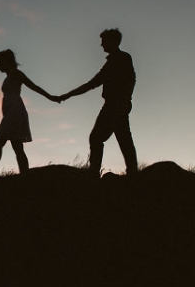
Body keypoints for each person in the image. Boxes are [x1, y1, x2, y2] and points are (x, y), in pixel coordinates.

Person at [59, 28, 138, 177]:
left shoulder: (122, 59)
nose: (102, 45)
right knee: (123, 138)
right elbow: (93, 83)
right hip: (116, 104)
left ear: (114, 41)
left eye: (104, 41)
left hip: (115, 105)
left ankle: (94, 172)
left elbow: (131, 80)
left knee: (98, 138)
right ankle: (132, 172)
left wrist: (124, 100)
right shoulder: (113, 62)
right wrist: (68, 95)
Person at [0, 49, 60, 179]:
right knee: (17, 147)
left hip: (15, 112)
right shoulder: (9, 76)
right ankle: (25, 177)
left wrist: (50, 97)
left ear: (6, 62)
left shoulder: (17, 74)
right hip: (11, 113)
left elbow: (33, 86)